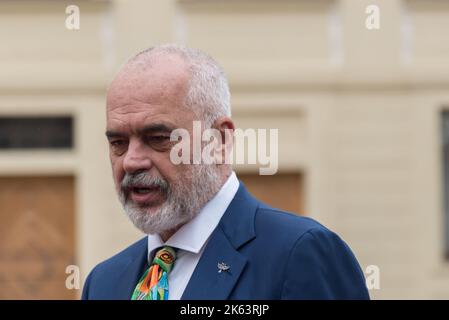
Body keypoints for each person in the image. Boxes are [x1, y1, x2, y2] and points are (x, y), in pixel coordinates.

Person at [81, 44, 370, 300]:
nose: (131, 161)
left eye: (158, 138)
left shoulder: (299, 255)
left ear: (218, 140)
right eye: (118, 143)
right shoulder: (103, 283)